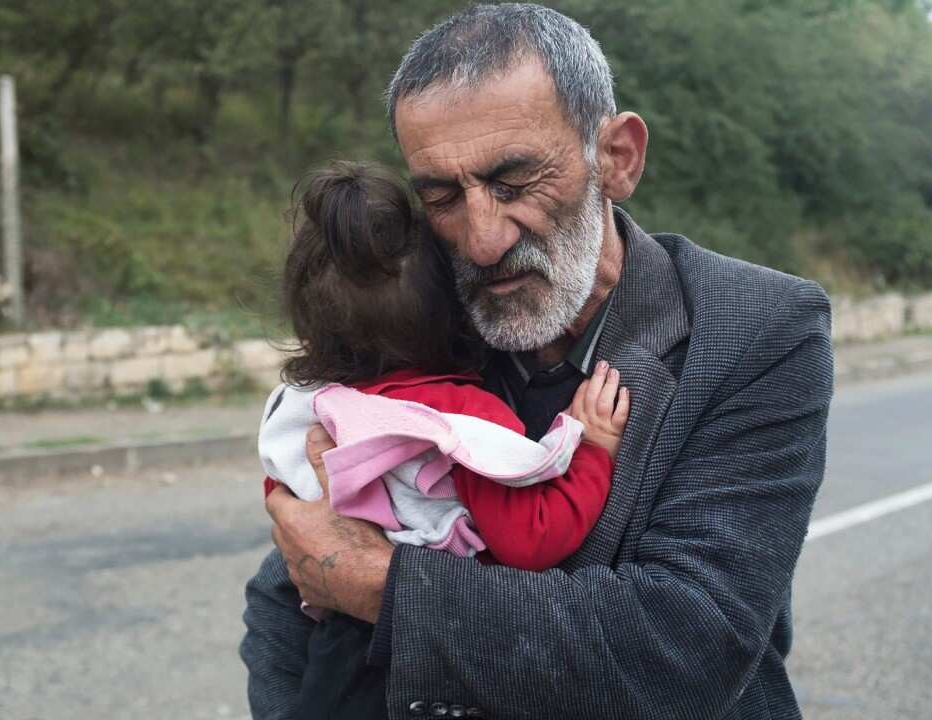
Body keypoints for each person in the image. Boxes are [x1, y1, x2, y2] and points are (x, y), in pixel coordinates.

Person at [241, 4, 834, 719]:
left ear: (617, 158)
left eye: (515, 183)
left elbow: (689, 645)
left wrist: (380, 585)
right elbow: (287, 592)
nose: (483, 241)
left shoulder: (760, 327)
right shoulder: (420, 328)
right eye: (442, 197)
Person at [255, 160, 629, 717]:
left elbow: (288, 511)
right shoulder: (458, 419)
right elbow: (531, 540)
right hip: (417, 662)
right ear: (456, 311)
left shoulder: (307, 408)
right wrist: (593, 450)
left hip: (331, 662)